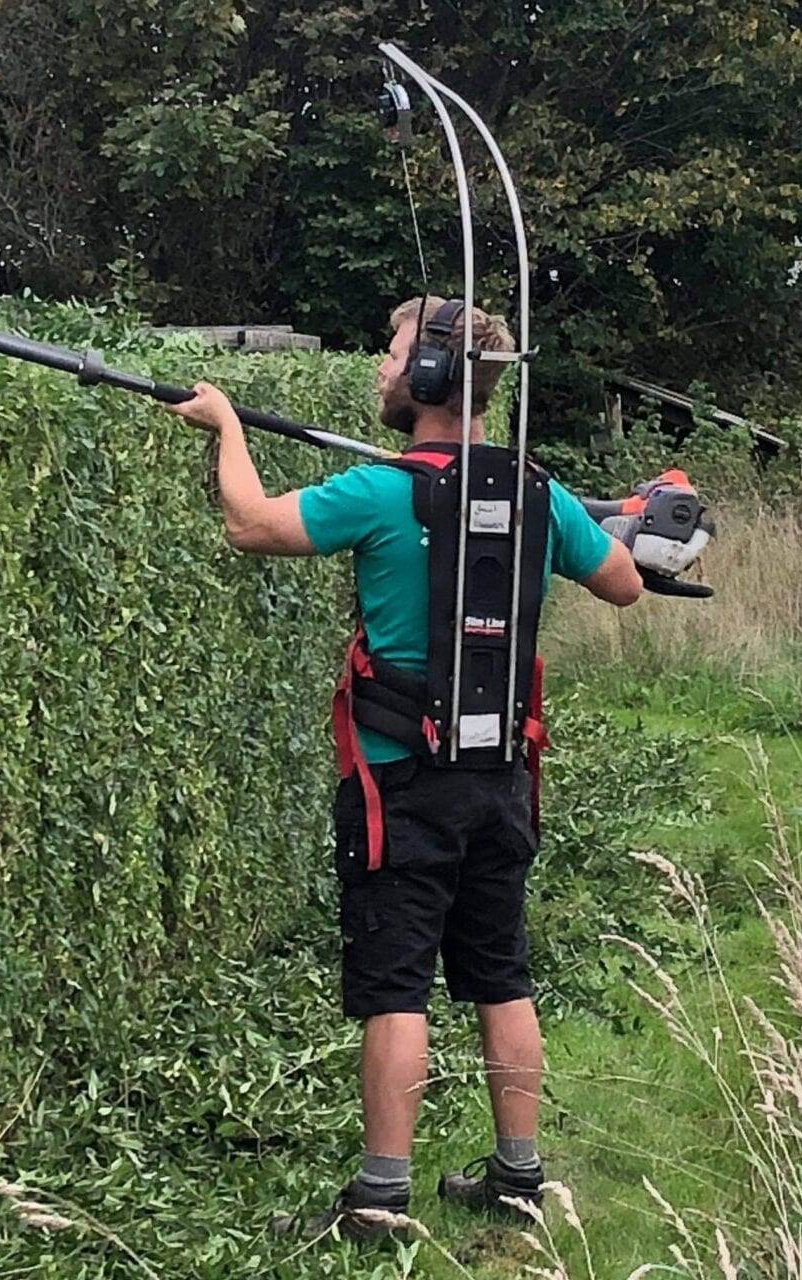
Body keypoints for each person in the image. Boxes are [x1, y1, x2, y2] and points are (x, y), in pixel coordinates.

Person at [164, 297, 652, 1240]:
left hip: (400, 785)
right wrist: (584, 527)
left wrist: (226, 423)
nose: (380, 373)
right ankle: (518, 1185)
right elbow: (625, 584)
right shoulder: (540, 496)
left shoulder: (383, 492)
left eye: (392, 357)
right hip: (503, 780)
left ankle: (379, 1202)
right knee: (502, 976)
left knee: (397, 989)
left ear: (429, 380)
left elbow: (252, 525)